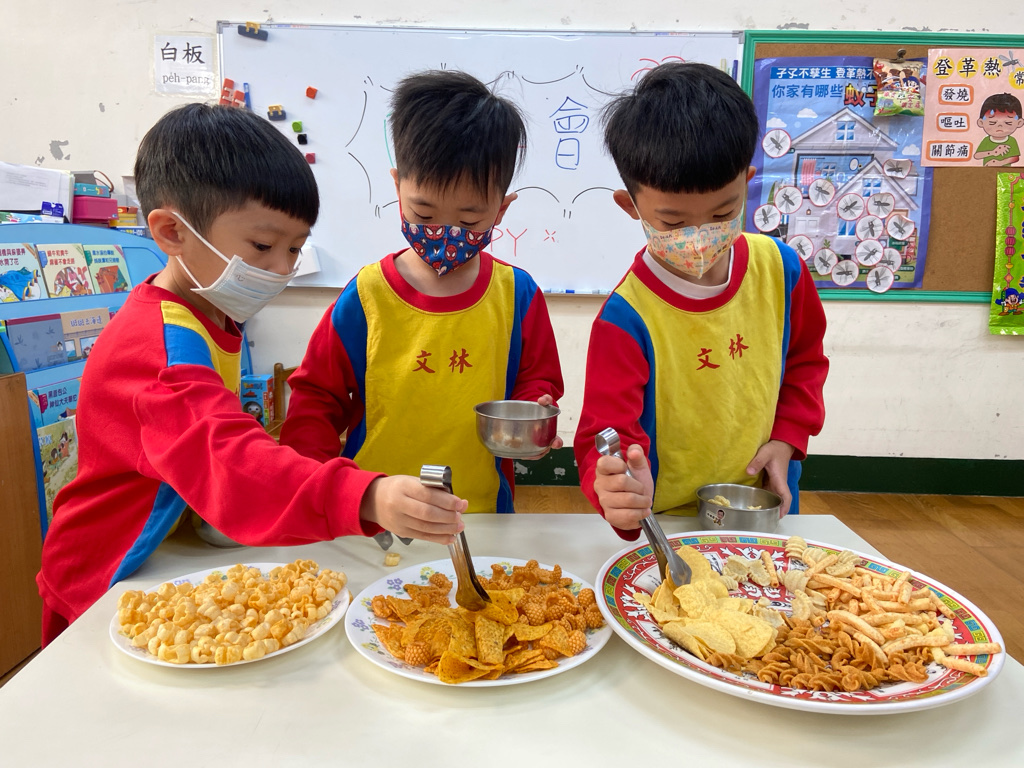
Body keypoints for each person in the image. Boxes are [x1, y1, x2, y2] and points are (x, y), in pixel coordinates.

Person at [37, 104, 467, 645]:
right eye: (262, 247)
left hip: (165, 553)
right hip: (104, 576)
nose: (282, 269)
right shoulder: (160, 349)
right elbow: (228, 460)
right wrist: (364, 497)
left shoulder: (211, 313)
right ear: (172, 231)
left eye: (295, 248)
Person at [281, 71, 563, 513]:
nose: (444, 231)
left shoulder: (517, 294)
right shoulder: (367, 295)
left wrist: (532, 415)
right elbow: (317, 397)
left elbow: (536, 380)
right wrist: (315, 488)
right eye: (424, 213)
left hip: (479, 509)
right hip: (374, 511)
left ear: (501, 209)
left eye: (469, 220)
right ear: (397, 187)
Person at [573, 62, 828, 540]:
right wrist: (618, 490)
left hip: (762, 508)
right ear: (631, 206)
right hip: (666, 525)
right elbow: (604, 433)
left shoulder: (782, 271)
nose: (698, 236)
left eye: (722, 212)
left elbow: (805, 363)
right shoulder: (626, 318)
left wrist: (788, 438)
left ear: (747, 182)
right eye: (672, 222)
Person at [973, 93, 1024, 166]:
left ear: (1019, 123)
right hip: (987, 170)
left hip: (1005, 172)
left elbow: (1015, 158)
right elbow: (977, 155)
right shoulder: (986, 140)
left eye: (1008, 123)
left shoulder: (1011, 140)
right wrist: (993, 152)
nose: (1000, 126)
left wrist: (1000, 163)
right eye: (992, 123)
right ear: (981, 122)